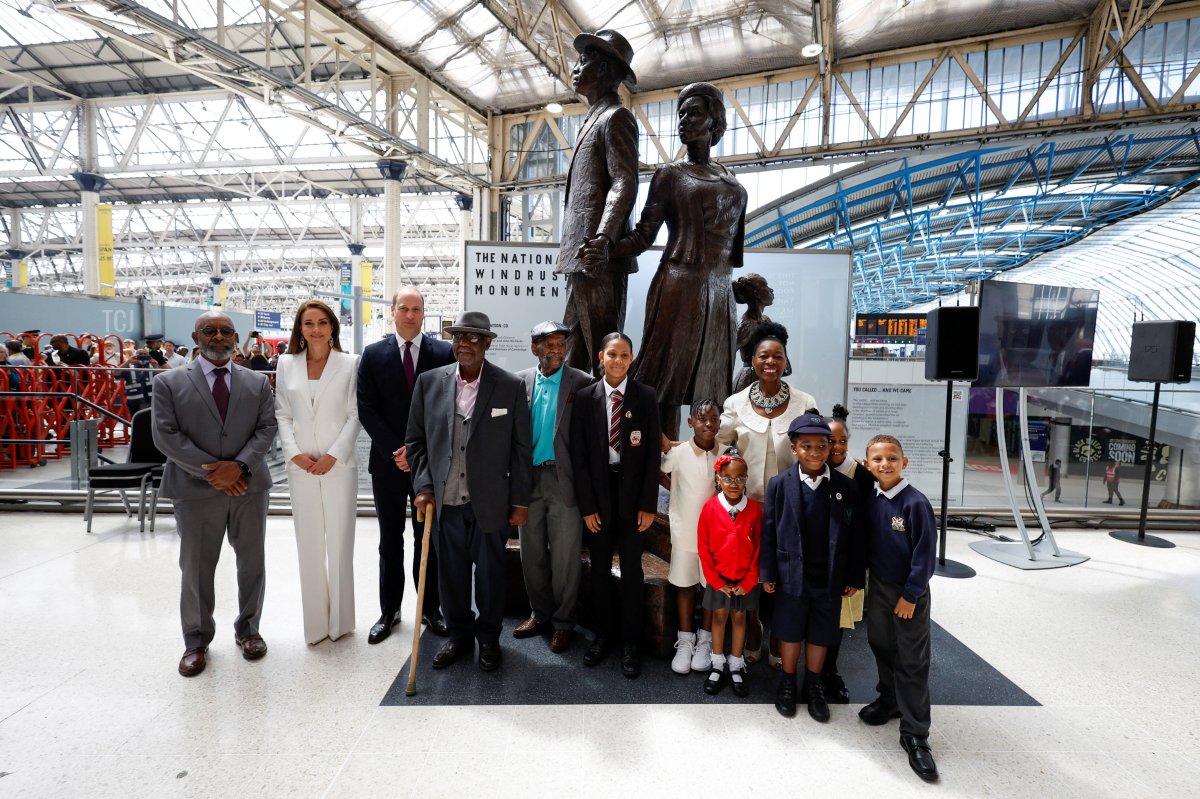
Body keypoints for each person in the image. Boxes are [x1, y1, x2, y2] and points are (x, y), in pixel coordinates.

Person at [597, 81, 747, 435]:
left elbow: (732, 253)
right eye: (680, 113)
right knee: (666, 382)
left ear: (714, 122)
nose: (684, 120)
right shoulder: (670, 176)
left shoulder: (735, 183)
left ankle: (706, 466)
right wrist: (607, 245)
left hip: (720, 292)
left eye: (694, 113)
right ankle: (661, 460)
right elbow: (644, 235)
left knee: (711, 386)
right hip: (679, 286)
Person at [152, 311, 278, 677]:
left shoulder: (257, 382)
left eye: (225, 332)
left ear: (236, 338)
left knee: (252, 563)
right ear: (196, 336)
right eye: (210, 331)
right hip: (194, 491)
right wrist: (215, 473)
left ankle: (249, 630)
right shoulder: (169, 382)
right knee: (195, 567)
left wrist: (238, 468)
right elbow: (166, 435)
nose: (218, 338)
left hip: (248, 487)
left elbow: (267, 428)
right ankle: (195, 639)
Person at [406, 311, 532, 672]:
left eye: (474, 338)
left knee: (491, 576)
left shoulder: (508, 386)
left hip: (489, 502)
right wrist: (424, 485)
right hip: (445, 502)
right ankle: (459, 635)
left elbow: (520, 449)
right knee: (451, 575)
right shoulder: (430, 383)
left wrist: (520, 502)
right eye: (459, 337)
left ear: (488, 343)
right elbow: (415, 442)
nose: (464, 343)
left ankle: (489, 637)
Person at [716, 321, 819, 665]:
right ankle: (754, 628)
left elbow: (816, 452)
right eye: (764, 356)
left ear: (785, 360)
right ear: (753, 360)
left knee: (787, 573)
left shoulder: (805, 402)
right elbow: (721, 450)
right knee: (750, 572)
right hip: (747, 508)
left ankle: (780, 633)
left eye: (777, 355)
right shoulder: (735, 403)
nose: (771, 361)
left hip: (793, 508)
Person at [357, 286, 454, 644]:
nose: (410, 315)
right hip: (387, 465)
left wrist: (418, 452)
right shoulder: (372, 355)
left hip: (428, 465)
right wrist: (398, 450)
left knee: (428, 539)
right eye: (404, 308)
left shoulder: (444, 353)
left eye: (416, 309)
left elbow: (448, 407)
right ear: (393, 312)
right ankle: (389, 611)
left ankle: (431, 609)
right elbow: (367, 408)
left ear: (423, 313)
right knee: (389, 541)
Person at [760, 414, 865, 722]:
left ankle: (814, 684)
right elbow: (769, 531)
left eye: (822, 445)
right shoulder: (779, 484)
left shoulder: (846, 487)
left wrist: (854, 576)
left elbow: (857, 535)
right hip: (792, 573)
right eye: (807, 446)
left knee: (821, 633)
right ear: (794, 449)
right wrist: (767, 572)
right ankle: (788, 682)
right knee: (790, 632)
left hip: (830, 575)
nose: (816, 452)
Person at [569, 332, 661, 678]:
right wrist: (587, 506)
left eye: (624, 355)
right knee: (600, 567)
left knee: (633, 571)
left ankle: (631, 642)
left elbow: (652, 455)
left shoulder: (646, 396)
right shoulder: (585, 397)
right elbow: (578, 457)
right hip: (598, 494)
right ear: (600, 357)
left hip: (633, 496)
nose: (618, 361)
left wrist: (648, 505)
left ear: (632, 358)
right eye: (612, 355)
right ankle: (601, 634)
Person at [274, 300, 361, 645]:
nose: (316, 329)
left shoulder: (350, 363)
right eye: (308, 323)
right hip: (301, 468)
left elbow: (356, 415)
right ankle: (315, 626)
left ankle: (340, 623)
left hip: (339, 466)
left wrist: (334, 455)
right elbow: (282, 413)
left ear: (333, 328)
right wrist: (293, 454)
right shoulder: (285, 364)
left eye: (322, 323)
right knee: (308, 545)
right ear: (300, 329)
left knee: (340, 545)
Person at [556, 29, 639, 375]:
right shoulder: (590, 121)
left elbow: (625, 181)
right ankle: (574, 427)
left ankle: (609, 427)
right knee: (573, 354)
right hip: (583, 257)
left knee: (606, 359)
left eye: (584, 60)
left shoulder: (616, 118)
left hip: (598, 257)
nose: (575, 68)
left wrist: (604, 238)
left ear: (604, 69)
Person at [859, 434, 939, 782]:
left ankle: (916, 734)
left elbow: (924, 558)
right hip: (878, 588)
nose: (885, 465)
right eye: (877, 459)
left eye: (892, 458)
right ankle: (889, 699)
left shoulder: (915, 504)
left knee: (911, 660)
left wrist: (910, 595)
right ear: (867, 465)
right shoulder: (871, 499)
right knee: (881, 644)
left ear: (904, 462)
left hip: (909, 595)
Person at [513, 321, 594, 653]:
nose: (557, 350)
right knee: (531, 553)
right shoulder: (518, 382)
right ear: (535, 349)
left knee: (564, 557)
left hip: (565, 481)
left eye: (562, 345)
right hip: (527, 479)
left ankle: (564, 622)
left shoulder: (583, 383)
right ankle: (540, 613)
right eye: (549, 345)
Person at [659, 399, 720, 674]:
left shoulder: (726, 453)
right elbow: (659, 472)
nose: (708, 424)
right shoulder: (680, 452)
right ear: (690, 422)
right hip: (685, 532)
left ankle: (705, 640)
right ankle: (685, 640)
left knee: (710, 588)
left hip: (715, 537)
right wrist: (676, 491)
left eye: (714, 419)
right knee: (684, 586)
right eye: (702, 418)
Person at [698, 449, 762, 697]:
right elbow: (704, 548)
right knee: (718, 617)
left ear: (746, 479)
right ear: (718, 479)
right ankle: (717, 664)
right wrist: (714, 580)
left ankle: (736, 664)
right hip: (719, 580)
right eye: (727, 478)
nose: (733, 484)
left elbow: (759, 548)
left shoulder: (755, 510)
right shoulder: (710, 509)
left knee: (740, 618)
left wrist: (749, 580)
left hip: (744, 581)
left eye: (739, 478)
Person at [823, 403, 875, 702]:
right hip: (820, 564)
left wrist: (858, 571)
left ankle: (831, 671)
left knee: (838, 624)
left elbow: (864, 531)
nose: (838, 447)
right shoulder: (813, 472)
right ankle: (815, 673)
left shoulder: (862, 477)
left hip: (846, 565)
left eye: (843, 441)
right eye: (831, 441)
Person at [732, 274, 775, 393]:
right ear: (756, 294)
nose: (771, 290)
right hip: (749, 382)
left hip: (765, 378)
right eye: (765, 286)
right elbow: (727, 355)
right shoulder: (746, 324)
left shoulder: (765, 320)